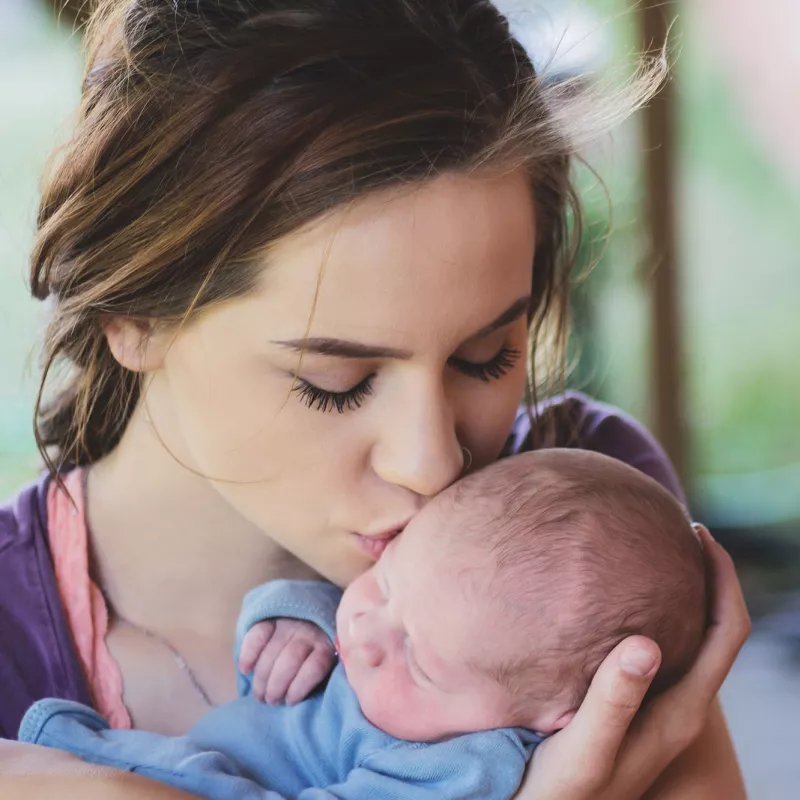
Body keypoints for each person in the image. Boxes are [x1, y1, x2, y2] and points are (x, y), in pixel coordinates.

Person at [0, 0, 750, 797]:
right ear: (133, 318)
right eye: (337, 385)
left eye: (485, 357)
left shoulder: (585, 519)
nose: (432, 463)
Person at [19, 449, 708, 800]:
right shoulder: (418, 622)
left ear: (558, 715)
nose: (366, 635)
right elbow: (318, 607)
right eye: (383, 581)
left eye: (418, 658)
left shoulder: (461, 765)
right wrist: (298, 620)